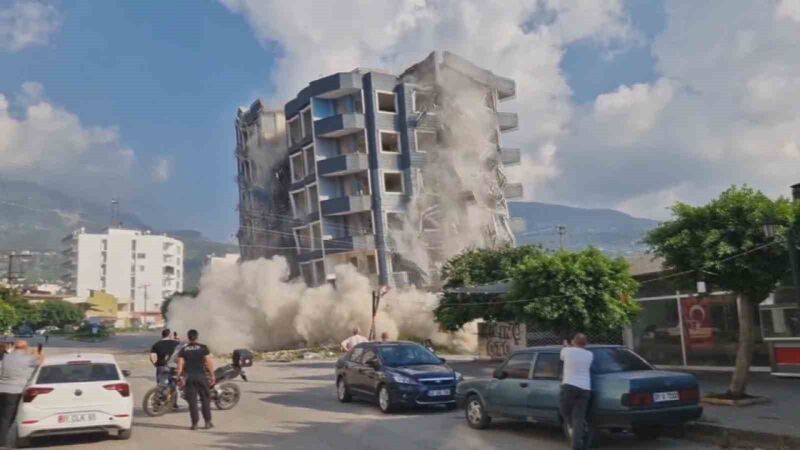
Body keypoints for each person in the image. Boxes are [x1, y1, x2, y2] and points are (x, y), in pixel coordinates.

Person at [0, 341, 39, 445]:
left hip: (2, 389)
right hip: (15, 391)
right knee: (8, 417)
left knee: (2, 415)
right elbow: (40, 362)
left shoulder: (6, 357)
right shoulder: (28, 359)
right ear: (25, 347)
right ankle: (1, 441)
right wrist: (38, 353)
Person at [560, 333, 594, 450]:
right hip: (585, 388)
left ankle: (570, 425)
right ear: (586, 344)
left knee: (564, 411)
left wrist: (566, 345)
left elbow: (562, 357)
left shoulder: (567, 351)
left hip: (569, 386)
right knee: (578, 418)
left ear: (573, 341)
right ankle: (576, 445)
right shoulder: (590, 354)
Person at [176, 329, 215, 430]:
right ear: (197, 337)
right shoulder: (203, 348)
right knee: (205, 400)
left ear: (188, 338)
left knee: (192, 402)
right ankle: (207, 422)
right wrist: (212, 375)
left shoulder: (184, 350)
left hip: (189, 378)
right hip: (201, 377)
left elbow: (180, 365)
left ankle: (195, 424)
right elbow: (208, 362)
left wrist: (178, 377)